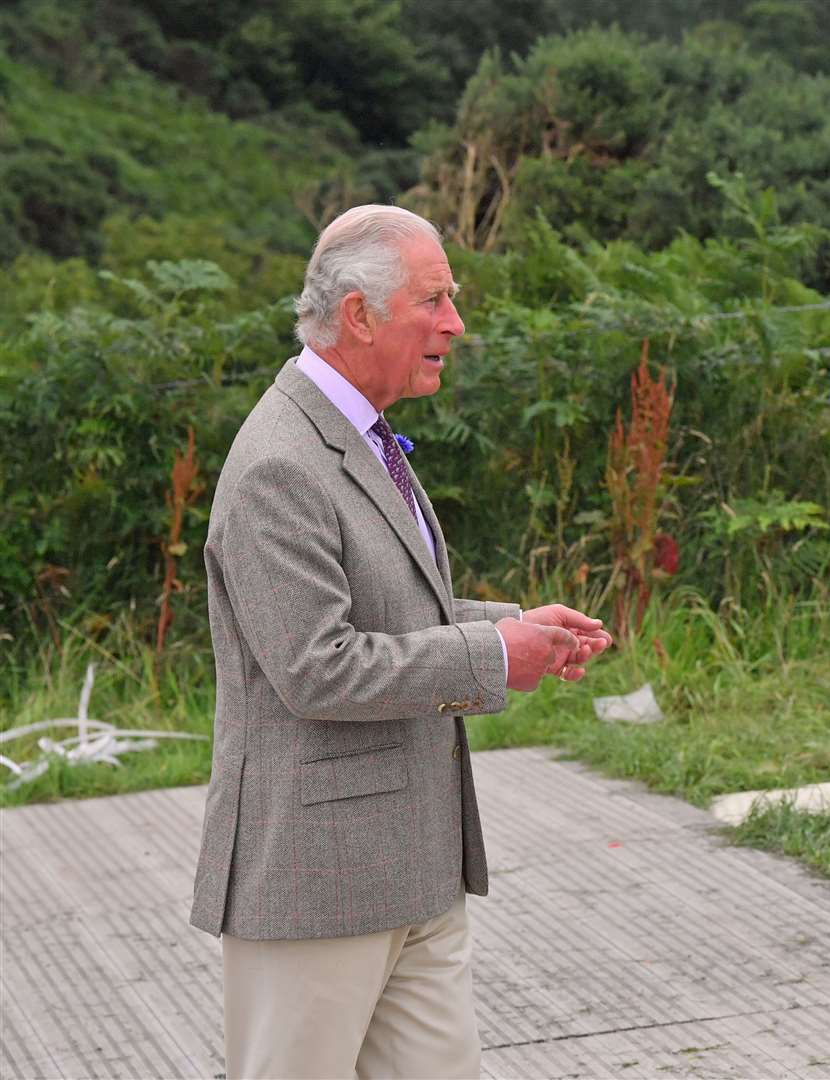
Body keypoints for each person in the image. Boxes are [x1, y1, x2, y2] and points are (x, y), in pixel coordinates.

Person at [188, 204, 613, 1079]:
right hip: (316, 883)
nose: (455, 322)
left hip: (413, 867)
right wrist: (497, 659)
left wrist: (512, 626)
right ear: (359, 315)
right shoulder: (279, 460)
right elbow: (318, 668)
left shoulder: (359, 431)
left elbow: (396, 607)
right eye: (435, 299)